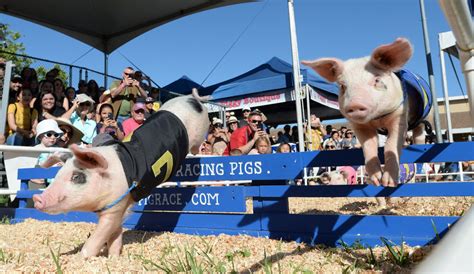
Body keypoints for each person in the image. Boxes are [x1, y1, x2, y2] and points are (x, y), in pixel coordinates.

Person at [28, 119, 63, 204]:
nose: (53, 137)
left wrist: (62, 164)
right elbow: (29, 166)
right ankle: (33, 206)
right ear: (40, 136)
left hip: (54, 181)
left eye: (56, 135)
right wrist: (32, 177)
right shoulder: (35, 149)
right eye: (49, 134)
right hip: (39, 180)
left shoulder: (59, 150)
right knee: (35, 178)